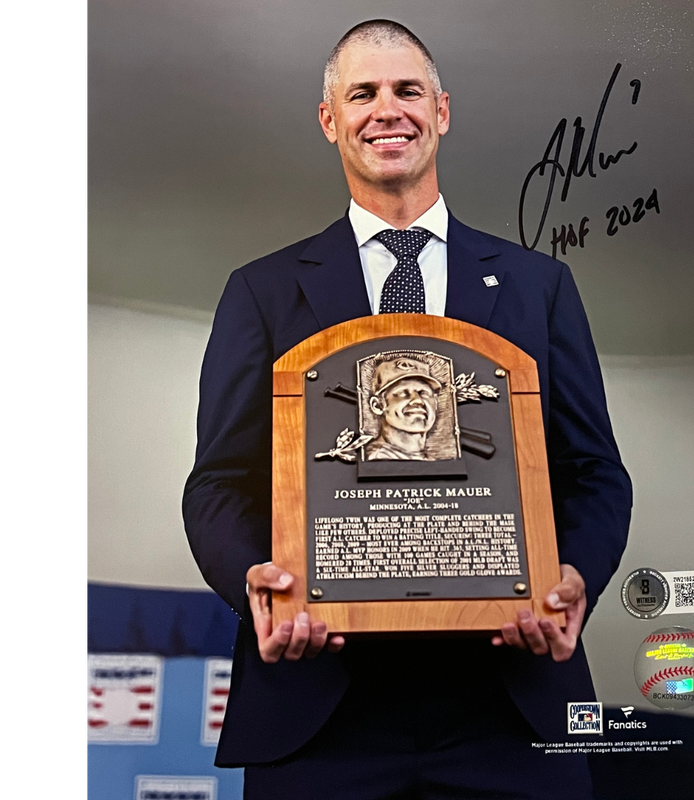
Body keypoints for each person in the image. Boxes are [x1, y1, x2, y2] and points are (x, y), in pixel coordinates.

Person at [183, 19, 632, 799]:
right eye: (362, 93)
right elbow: (219, 480)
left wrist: (572, 576)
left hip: (508, 707)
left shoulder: (539, 285)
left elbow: (594, 473)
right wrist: (256, 579)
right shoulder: (260, 290)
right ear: (331, 120)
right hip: (321, 711)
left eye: (407, 90)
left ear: (443, 110)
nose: (386, 109)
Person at [365, 357, 441, 461]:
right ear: (377, 405)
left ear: (436, 404)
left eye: (423, 393)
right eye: (403, 393)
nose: (418, 400)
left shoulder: (431, 461)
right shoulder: (376, 460)